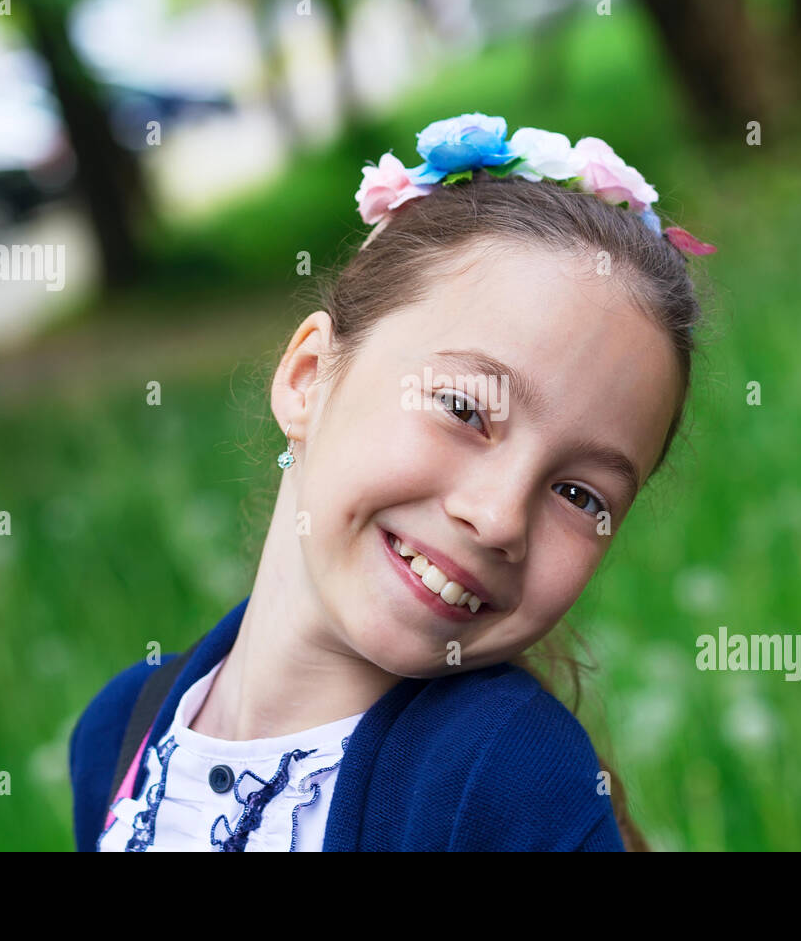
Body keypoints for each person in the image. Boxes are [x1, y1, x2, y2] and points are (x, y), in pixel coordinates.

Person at [69, 112, 714, 852]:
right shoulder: (119, 732)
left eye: (580, 494)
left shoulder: (503, 787)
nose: (501, 516)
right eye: (465, 408)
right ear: (309, 377)